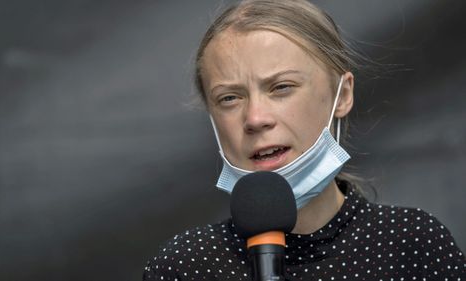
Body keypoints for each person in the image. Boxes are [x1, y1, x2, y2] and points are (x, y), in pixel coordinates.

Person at [143, 0, 466, 280]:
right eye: (230, 98)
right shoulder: (186, 266)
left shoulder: (411, 244)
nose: (255, 118)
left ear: (342, 94)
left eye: (281, 87)